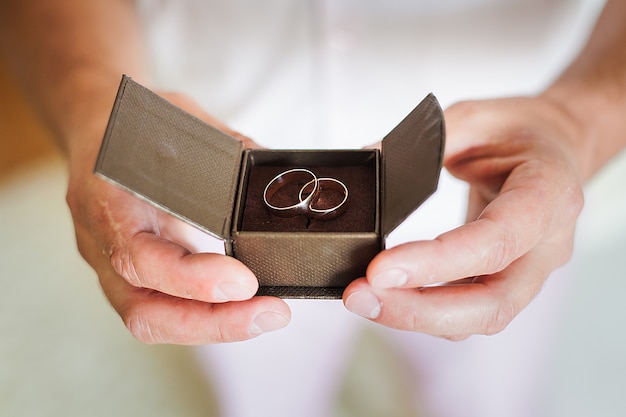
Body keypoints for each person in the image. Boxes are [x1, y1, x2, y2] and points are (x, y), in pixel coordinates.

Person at [2, 0, 625, 416]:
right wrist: (91, 103)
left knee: (486, 395)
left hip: (491, 193)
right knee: (263, 395)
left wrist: (581, 119)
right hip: (204, 202)